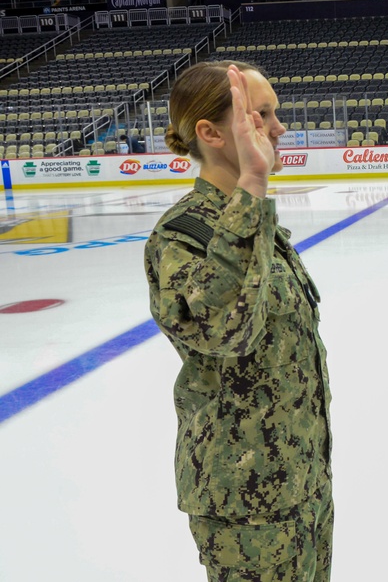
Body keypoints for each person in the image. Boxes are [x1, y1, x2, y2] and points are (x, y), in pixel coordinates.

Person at [144, 61, 333, 582]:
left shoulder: (255, 225)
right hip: (245, 503)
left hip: (299, 483)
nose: (279, 127)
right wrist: (252, 182)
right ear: (211, 133)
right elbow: (230, 331)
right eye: (262, 115)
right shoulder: (183, 237)